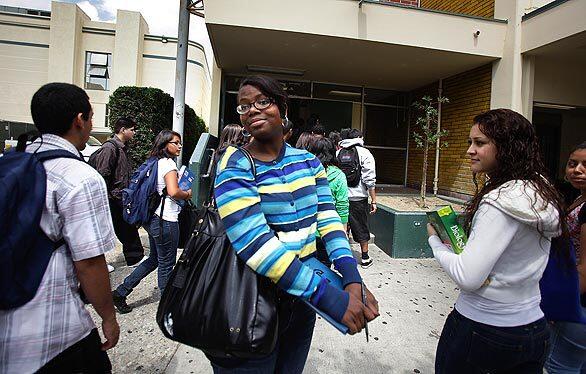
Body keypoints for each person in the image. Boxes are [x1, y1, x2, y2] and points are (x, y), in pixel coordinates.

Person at [212, 75, 379, 373]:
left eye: (263, 101)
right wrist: (326, 295)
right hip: (250, 302)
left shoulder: (308, 162)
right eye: (244, 106)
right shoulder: (234, 164)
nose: (252, 110)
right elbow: (255, 244)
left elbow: (328, 221)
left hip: (301, 306)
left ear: (282, 107)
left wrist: (352, 279)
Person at [427, 109, 565, 373]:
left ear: (508, 147)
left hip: (484, 332)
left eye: (480, 143)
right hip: (534, 329)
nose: (470, 150)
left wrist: (436, 242)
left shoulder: (500, 202)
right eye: (470, 142)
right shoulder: (538, 190)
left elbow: (468, 276)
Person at [0, 83, 119, 372]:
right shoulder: (80, 177)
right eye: (90, 118)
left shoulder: (11, 163)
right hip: (53, 333)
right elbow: (89, 263)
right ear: (79, 120)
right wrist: (108, 316)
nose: (90, 126)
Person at [111, 130, 192, 314]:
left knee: (155, 259)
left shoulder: (154, 162)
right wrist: (187, 193)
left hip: (153, 218)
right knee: (166, 264)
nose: (179, 146)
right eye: (175, 142)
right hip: (166, 220)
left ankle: (121, 291)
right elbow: (173, 192)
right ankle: (168, 306)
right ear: (165, 145)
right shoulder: (169, 164)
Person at [544, 141, 586, 373]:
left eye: (585, 165)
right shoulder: (579, 199)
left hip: (578, 305)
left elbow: (585, 268)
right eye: (573, 164)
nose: (577, 170)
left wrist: (556, 305)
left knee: (561, 366)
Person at [92, 117, 145, 269]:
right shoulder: (110, 148)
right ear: (123, 130)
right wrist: (107, 196)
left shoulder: (122, 147)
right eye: (132, 130)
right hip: (112, 197)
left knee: (126, 227)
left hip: (119, 196)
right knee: (108, 230)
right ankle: (104, 263)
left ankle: (134, 257)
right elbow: (103, 174)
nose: (134, 133)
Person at [306, 136, 350, 267]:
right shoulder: (339, 175)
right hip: (329, 231)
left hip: (307, 231)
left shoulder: (304, 172)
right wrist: (343, 231)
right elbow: (342, 205)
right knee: (325, 270)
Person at [338, 128, 377, 268]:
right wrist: (374, 200)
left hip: (341, 197)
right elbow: (369, 179)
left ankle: (343, 257)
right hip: (358, 198)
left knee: (343, 227)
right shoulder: (365, 153)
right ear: (360, 138)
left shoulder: (339, 152)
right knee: (361, 226)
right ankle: (365, 258)